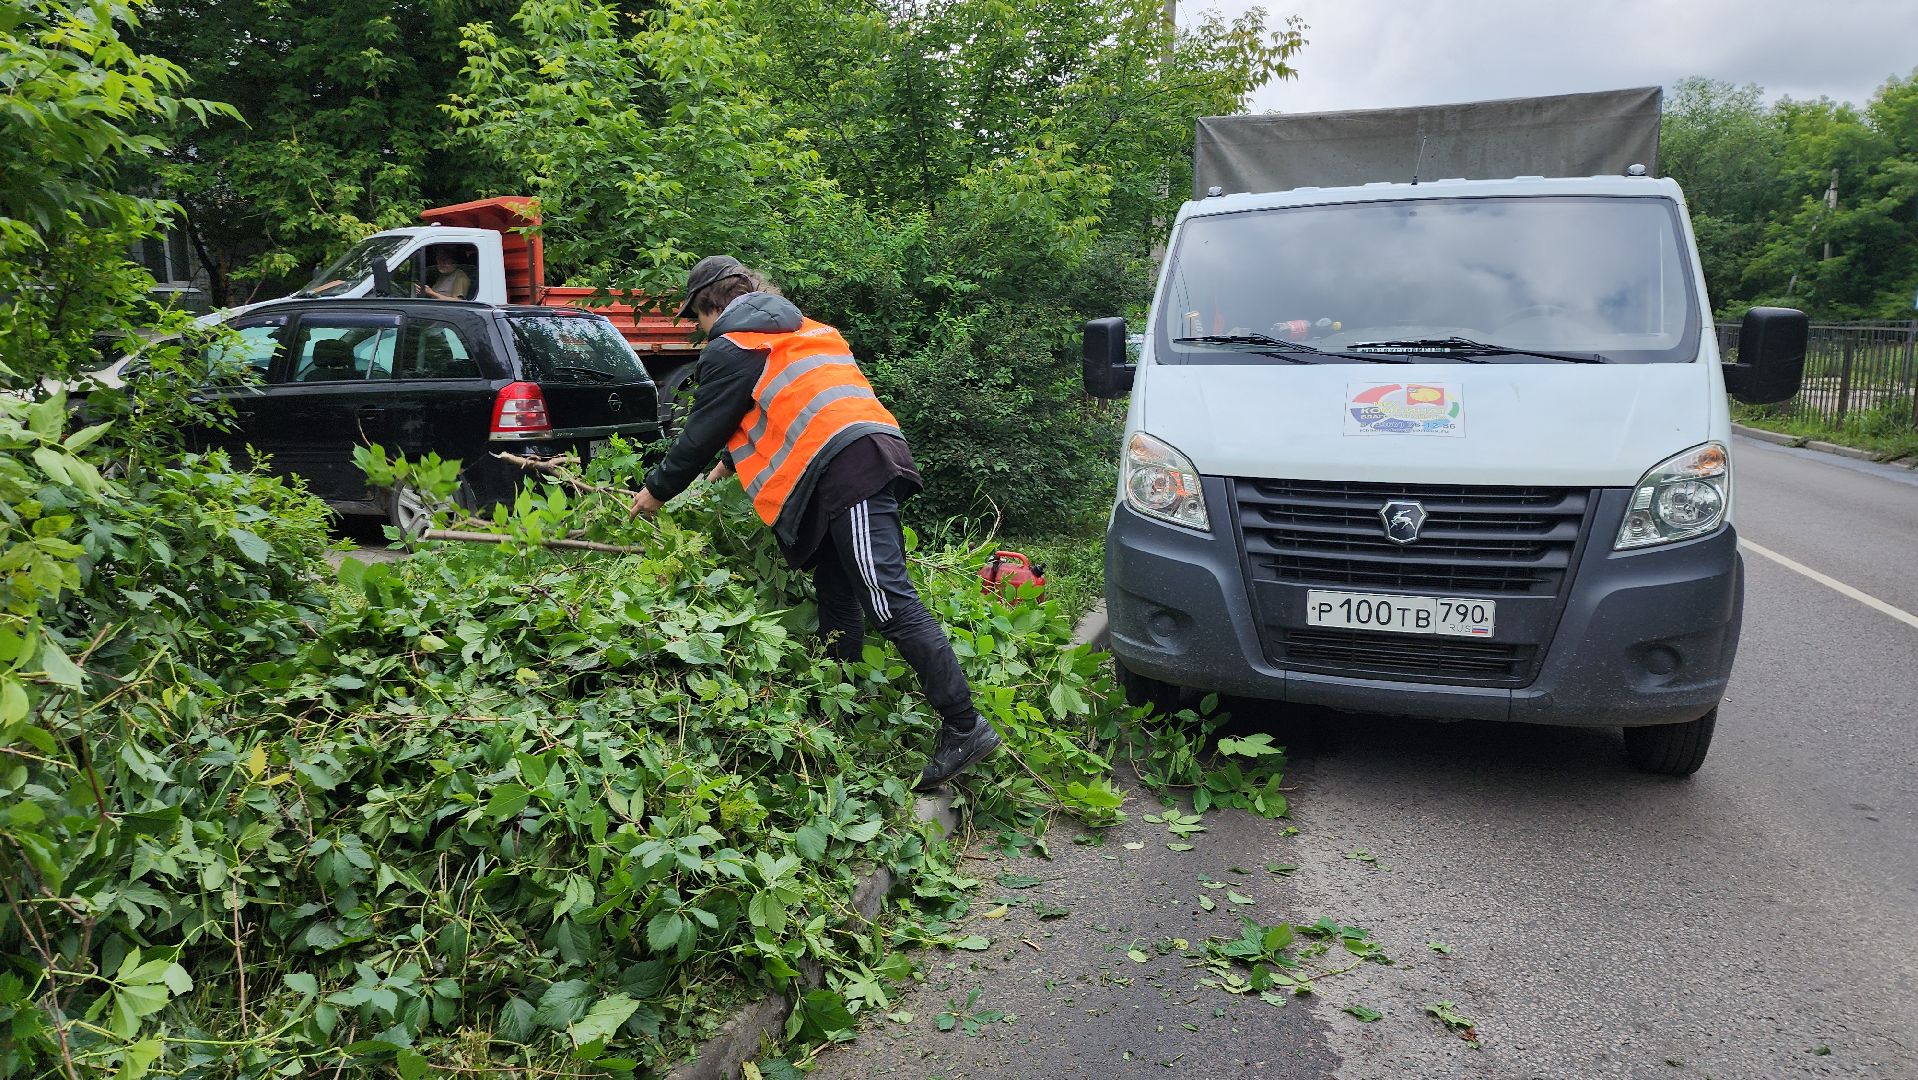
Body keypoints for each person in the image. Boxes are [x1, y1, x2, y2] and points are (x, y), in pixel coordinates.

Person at [628, 255, 1001, 791]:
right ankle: (840, 713)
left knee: (887, 598)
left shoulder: (733, 346)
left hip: (848, 471)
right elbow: (793, 399)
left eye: (697, 320)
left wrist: (656, 492)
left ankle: (965, 725)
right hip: (865, 455)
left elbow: (700, 431)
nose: (700, 331)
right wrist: (732, 460)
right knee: (838, 591)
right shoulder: (808, 331)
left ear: (711, 306)